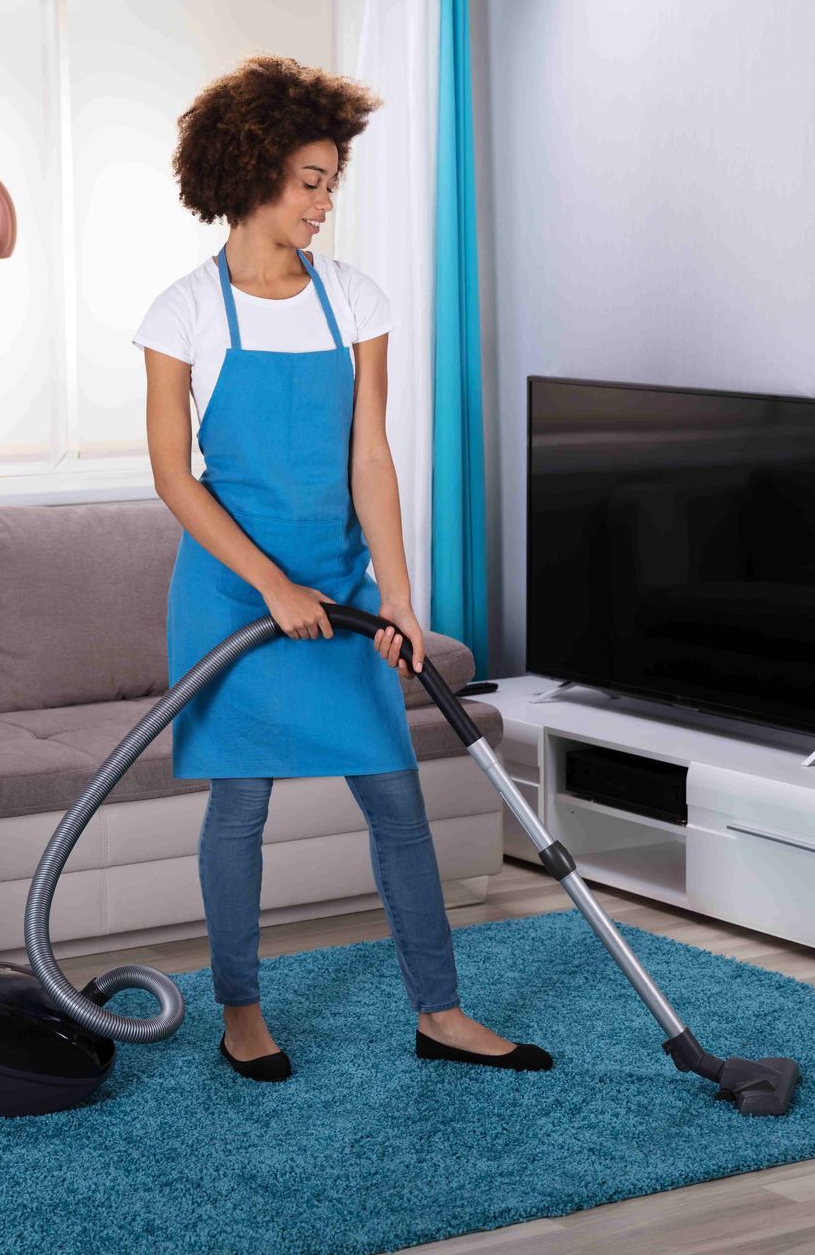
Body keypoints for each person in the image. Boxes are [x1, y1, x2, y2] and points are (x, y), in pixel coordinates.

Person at [132, 54, 551, 1083]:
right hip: (235, 592)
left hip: (346, 589)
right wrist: (271, 587)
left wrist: (400, 595)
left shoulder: (351, 298)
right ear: (251, 172)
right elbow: (175, 480)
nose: (325, 201)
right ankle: (240, 1011)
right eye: (309, 180)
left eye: (333, 182)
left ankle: (441, 1011)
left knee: (396, 799)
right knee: (241, 807)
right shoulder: (182, 311)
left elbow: (372, 453)